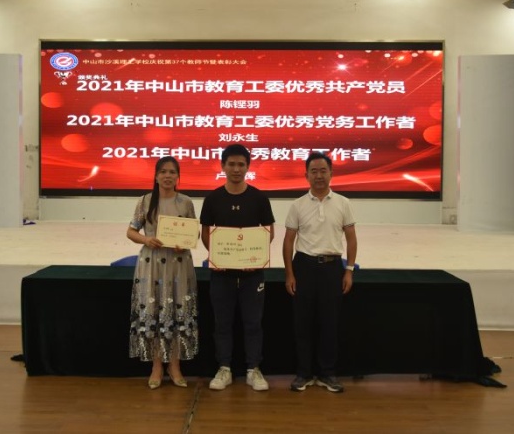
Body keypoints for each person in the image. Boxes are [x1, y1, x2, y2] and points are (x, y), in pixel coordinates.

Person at [200, 144, 275, 391]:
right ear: (222, 166)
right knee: (222, 323)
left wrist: (253, 258)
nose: (236, 169)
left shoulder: (259, 198)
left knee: (253, 323)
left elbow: (269, 232)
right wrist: (218, 257)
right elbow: (205, 232)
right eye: (231, 164)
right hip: (221, 274)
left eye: (241, 164)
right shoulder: (213, 199)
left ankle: (254, 369)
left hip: (253, 275)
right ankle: (224, 368)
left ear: (248, 167)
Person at [282, 151, 358, 393]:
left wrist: (348, 271)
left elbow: (351, 238)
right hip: (304, 267)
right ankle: (303, 374)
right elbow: (288, 241)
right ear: (306, 175)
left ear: (331, 173)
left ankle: (328, 374)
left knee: (329, 324)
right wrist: (289, 274)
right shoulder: (297, 205)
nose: (318, 176)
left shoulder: (343, 203)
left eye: (323, 171)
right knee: (302, 324)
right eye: (313, 171)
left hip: (332, 269)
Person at [126, 156, 198, 389]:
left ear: (178, 177)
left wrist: (184, 243)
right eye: (163, 172)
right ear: (156, 176)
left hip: (179, 264)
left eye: (172, 172)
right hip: (152, 264)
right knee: (156, 311)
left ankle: (175, 365)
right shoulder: (146, 201)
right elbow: (131, 231)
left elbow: (194, 233)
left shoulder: (186, 202)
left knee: (176, 311)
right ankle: (156, 366)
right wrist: (146, 239)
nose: (168, 176)